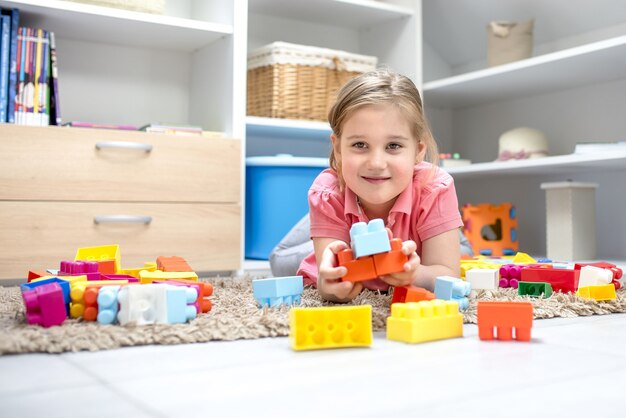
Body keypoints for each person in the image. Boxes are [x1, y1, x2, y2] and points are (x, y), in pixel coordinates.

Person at [270, 69, 466, 303]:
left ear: (418, 150)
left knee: (464, 254)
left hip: (419, 217)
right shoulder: (327, 192)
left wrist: (415, 273)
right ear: (339, 148)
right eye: (360, 144)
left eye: (393, 146)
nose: (376, 163)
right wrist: (333, 284)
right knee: (283, 262)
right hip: (344, 199)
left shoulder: (435, 186)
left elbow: (447, 274)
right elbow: (328, 287)